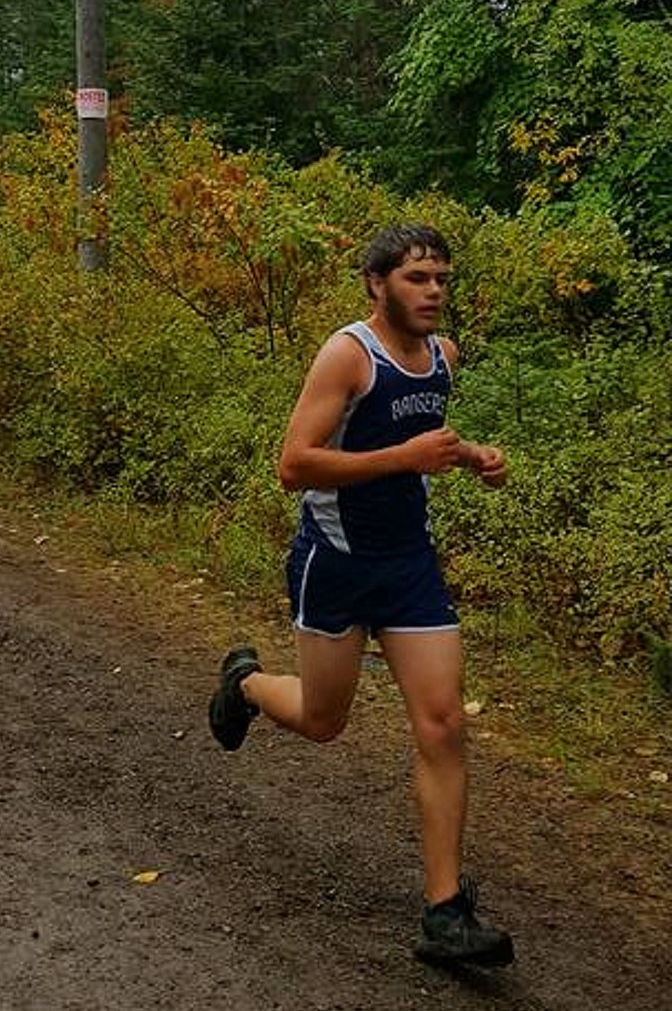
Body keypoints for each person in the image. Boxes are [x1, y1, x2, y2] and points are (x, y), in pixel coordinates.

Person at [207, 222, 514, 972]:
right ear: (377, 284)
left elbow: (422, 437)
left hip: (409, 563)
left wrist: (466, 455)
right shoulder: (348, 355)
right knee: (322, 719)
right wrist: (404, 458)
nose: (435, 290)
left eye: (441, 276)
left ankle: (444, 912)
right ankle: (245, 683)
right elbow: (293, 465)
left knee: (442, 723)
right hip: (335, 562)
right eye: (417, 277)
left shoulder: (443, 357)